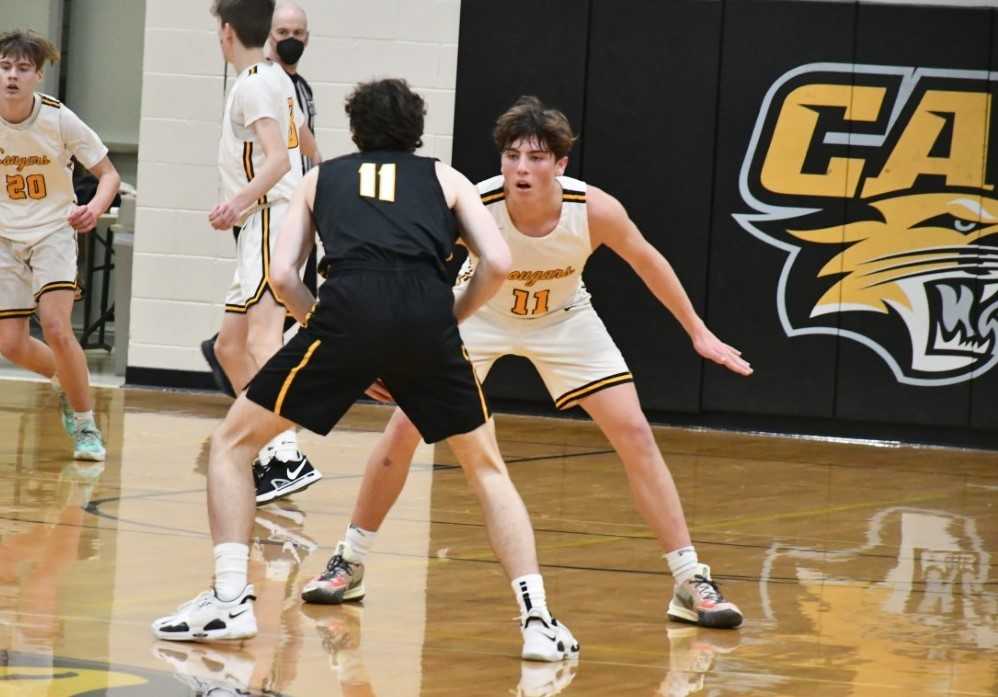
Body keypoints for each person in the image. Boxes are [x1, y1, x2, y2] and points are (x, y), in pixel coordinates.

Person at [153, 78, 580, 662]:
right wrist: (444, 322)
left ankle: (230, 599)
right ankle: (537, 620)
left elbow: (283, 279)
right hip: (426, 319)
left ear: (355, 130)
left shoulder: (317, 179)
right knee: (487, 469)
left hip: (347, 313)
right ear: (416, 130)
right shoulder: (445, 177)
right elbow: (499, 262)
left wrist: (329, 333)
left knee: (231, 442)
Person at [322, 96, 753, 630]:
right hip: (479, 312)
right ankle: (350, 561)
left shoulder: (593, 208)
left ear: (561, 164)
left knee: (635, 432)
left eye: (537, 158)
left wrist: (698, 332)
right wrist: (388, 346)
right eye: (512, 156)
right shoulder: (473, 203)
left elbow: (648, 260)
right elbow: (405, 268)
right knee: (404, 428)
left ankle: (691, 580)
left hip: (565, 317)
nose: (522, 169)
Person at [201, 0, 321, 504]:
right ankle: (269, 447)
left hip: (270, 214)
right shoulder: (275, 79)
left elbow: (276, 160)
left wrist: (237, 202)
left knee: (263, 340)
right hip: (266, 220)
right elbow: (303, 147)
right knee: (230, 346)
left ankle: (286, 453)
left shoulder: (253, 83)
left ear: (226, 32)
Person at [0, 30, 120, 461]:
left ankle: (87, 425)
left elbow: (109, 175)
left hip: (53, 230)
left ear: (38, 76)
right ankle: (67, 381)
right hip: (4, 236)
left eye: (22, 68)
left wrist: (93, 207)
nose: (12, 76)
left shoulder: (58, 118)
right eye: (5, 66)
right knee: (10, 344)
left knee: (54, 326)